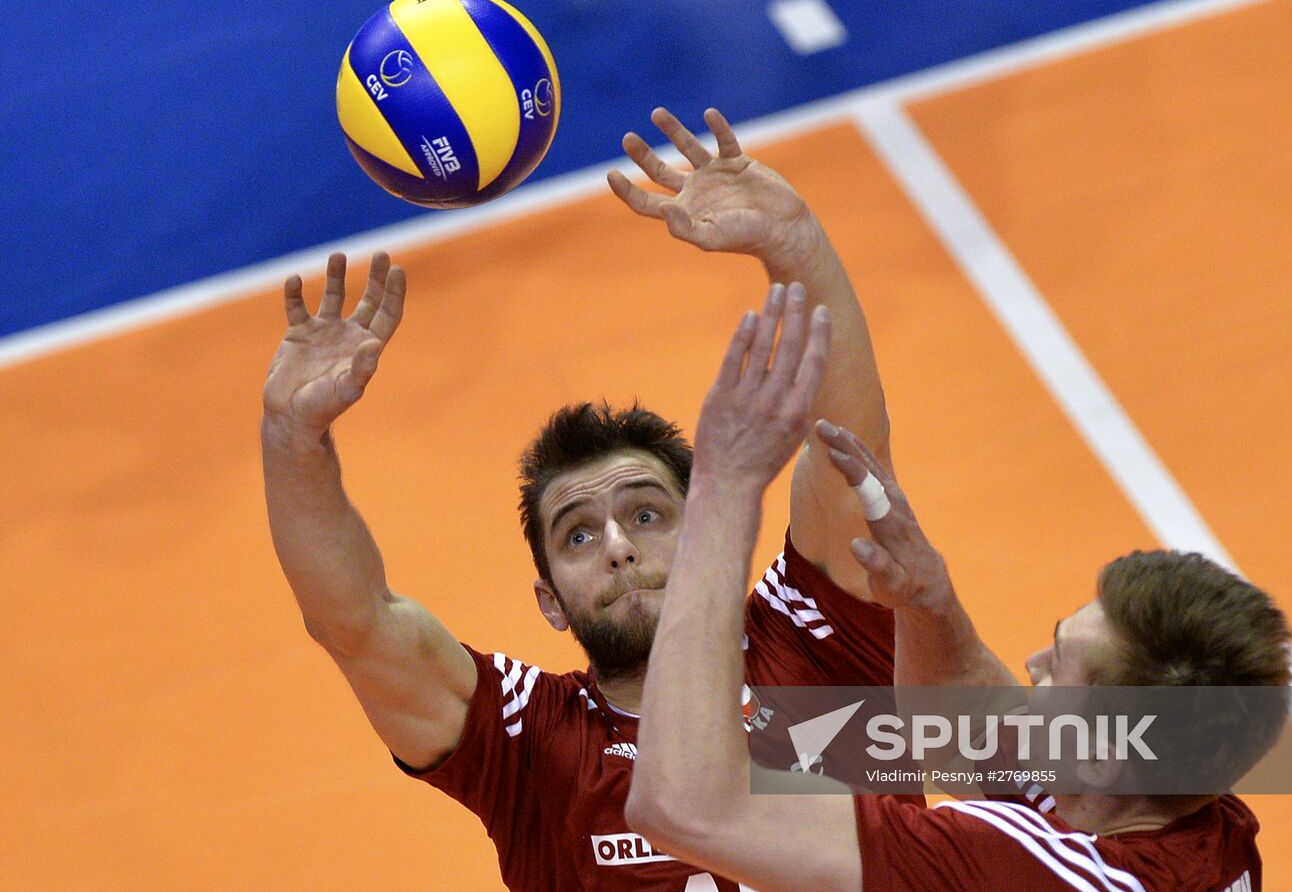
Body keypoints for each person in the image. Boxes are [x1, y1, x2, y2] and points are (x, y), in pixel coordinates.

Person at [262, 108, 909, 890]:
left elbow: (850, 452)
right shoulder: (532, 743)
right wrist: (292, 438)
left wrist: (796, 245)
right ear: (550, 602)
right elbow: (356, 625)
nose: (617, 546)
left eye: (646, 513)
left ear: (714, 530)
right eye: (576, 537)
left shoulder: (812, 644)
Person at [626, 290, 1292, 890]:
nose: (1031, 665)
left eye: (1058, 668)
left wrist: (726, 486)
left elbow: (683, 806)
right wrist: (929, 606)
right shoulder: (1208, 825)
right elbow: (960, 726)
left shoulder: (1013, 868)